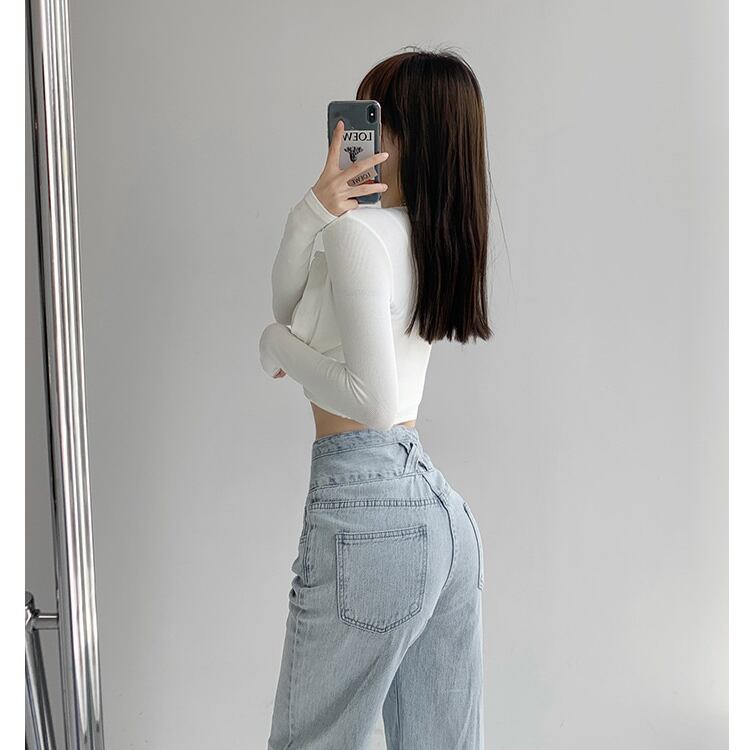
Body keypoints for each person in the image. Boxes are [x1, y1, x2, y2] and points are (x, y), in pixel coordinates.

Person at [258, 47, 492, 749]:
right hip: (440, 518)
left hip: (368, 510)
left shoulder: (361, 235)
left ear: (407, 136)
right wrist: (310, 213)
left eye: (375, 116)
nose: (357, 132)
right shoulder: (429, 237)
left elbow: (371, 401)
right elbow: (294, 305)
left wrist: (273, 345)